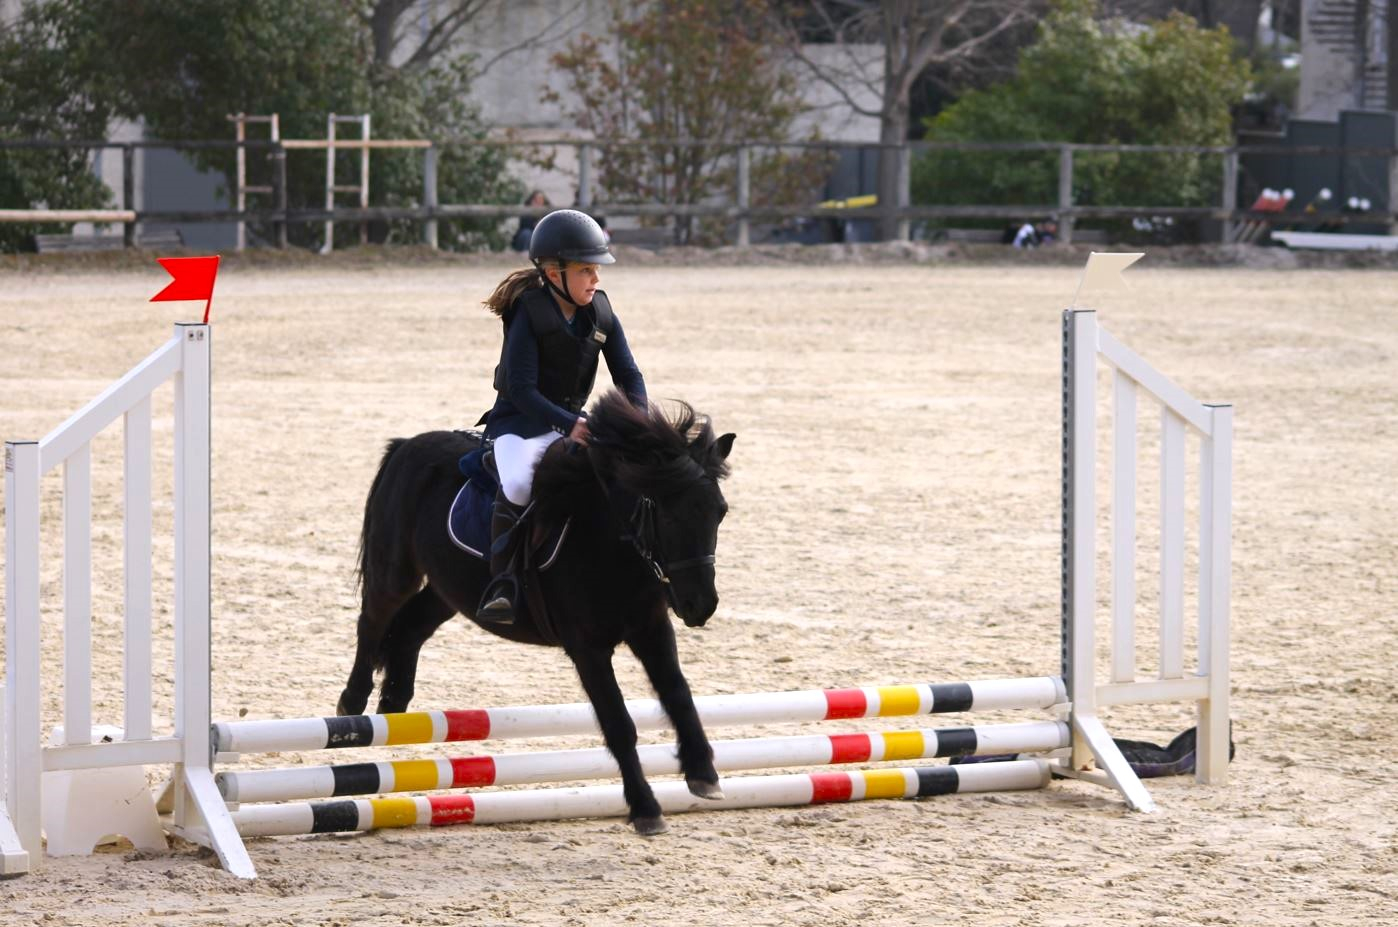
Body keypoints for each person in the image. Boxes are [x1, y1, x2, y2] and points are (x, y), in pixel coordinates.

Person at [477, 209, 648, 624]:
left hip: (573, 424)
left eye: (596, 270)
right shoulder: (528, 313)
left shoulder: (601, 312)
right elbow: (521, 389)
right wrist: (570, 424)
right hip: (520, 424)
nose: (596, 279)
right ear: (555, 274)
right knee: (518, 482)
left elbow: (628, 374)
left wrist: (639, 422)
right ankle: (504, 582)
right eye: (587, 270)